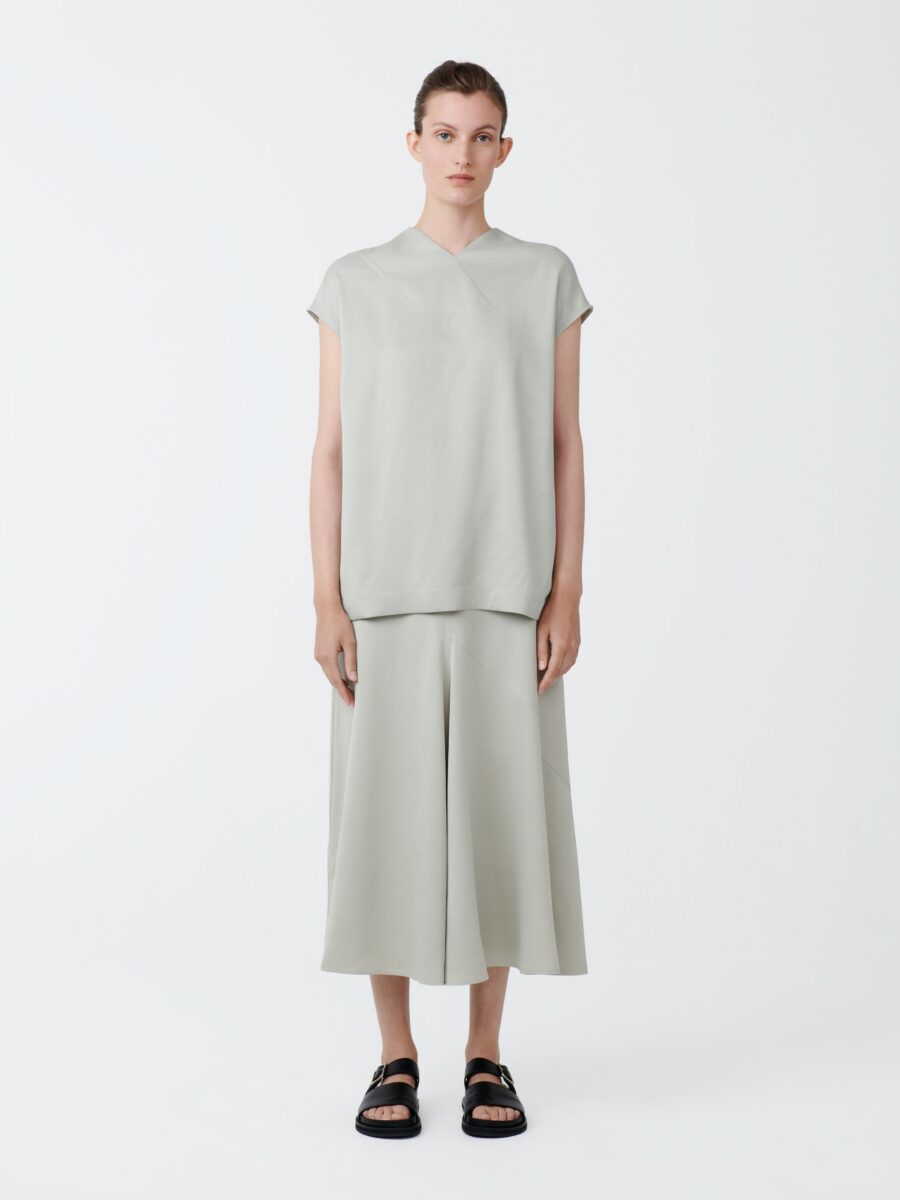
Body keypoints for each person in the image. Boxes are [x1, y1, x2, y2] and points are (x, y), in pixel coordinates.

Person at [307, 60, 592, 1139]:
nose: (461, 154)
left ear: (504, 150)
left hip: (504, 588)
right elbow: (330, 451)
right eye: (444, 133)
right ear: (413, 142)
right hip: (383, 594)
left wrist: (566, 590)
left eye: (481, 136)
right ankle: (394, 1054)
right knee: (380, 831)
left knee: (497, 825)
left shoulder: (544, 277)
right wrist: (326, 600)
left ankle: (485, 1053)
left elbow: (565, 442)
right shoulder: (355, 282)